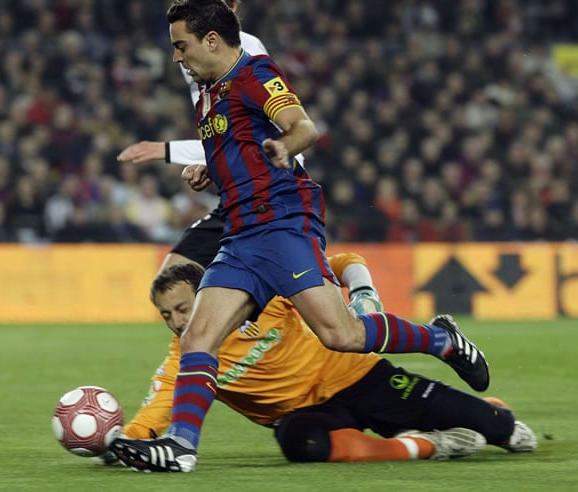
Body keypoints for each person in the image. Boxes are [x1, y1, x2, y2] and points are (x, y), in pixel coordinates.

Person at [111, 0, 490, 473]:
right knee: (198, 338)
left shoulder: (256, 73)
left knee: (342, 335)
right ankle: (181, 447)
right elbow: (235, 151)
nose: (176, 57)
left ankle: (441, 340)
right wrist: (209, 173)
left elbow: (303, 127)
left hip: (283, 224)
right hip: (240, 232)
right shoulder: (208, 94)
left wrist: (283, 146)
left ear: (212, 41)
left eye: (180, 45)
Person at [108, 255, 536, 468]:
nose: (177, 323)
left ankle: (482, 410)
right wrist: (116, 445)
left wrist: (362, 291)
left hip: (356, 376)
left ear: (206, 296)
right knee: (300, 444)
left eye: (183, 309)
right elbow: (154, 415)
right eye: (167, 315)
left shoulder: (263, 294)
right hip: (306, 415)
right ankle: (427, 443)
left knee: (509, 434)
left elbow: (344, 261)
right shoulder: (188, 360)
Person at [117, 0, 269, 274]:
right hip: (236, 196)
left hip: (264, 195)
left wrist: (165, 150)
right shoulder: (198, 62)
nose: (178, 57)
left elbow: (256, 137)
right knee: (174, 281)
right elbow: (223, 138)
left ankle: (355, 278)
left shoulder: (246, 53)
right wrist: (209, 165)